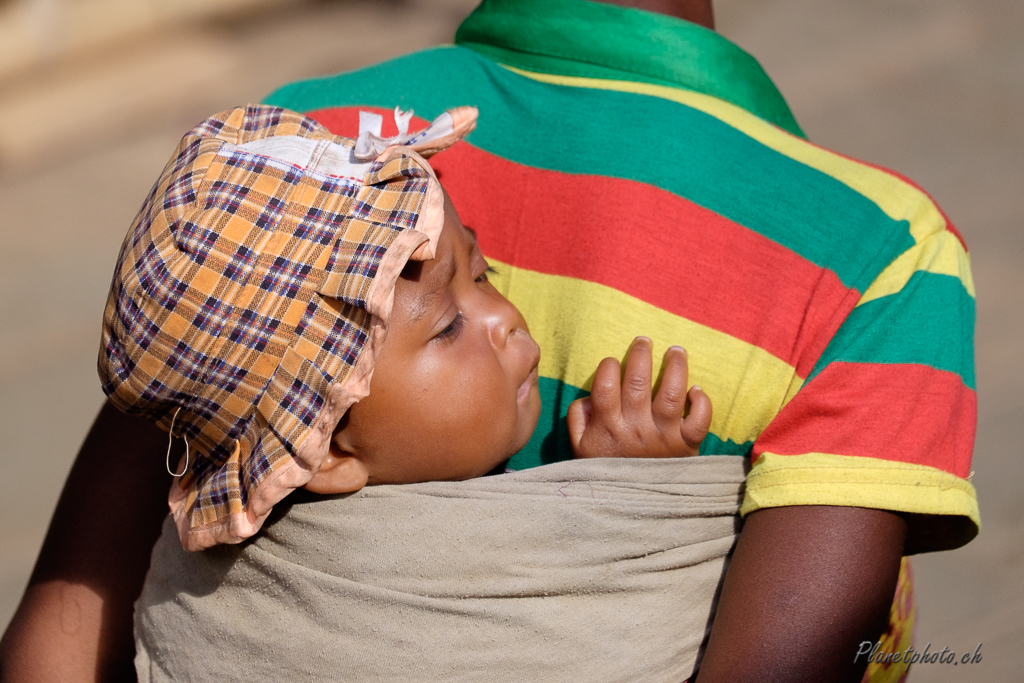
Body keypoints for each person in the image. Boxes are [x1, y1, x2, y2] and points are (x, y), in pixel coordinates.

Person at [0, 1, 978, 682]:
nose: (505, 317)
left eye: (483, 276)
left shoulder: (297, 146)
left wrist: (619, 493)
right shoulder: (874, 249)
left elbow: (64, 619)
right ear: (326, 446)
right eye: (456, 319)